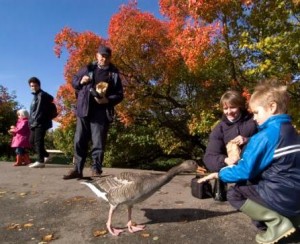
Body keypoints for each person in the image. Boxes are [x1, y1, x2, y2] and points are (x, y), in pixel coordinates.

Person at [198, 83, 300, 244]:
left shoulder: (262, 131)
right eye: (225, 109)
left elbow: (246, 170)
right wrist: (225, 160)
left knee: (235, 193)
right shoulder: (291, 130)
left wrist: (221, 173)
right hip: (293, 191)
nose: (255, 117)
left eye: (257, 112)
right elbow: (210, 155)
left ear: (272, 107)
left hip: (276, 191)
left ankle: (277, 223)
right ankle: (293, 219)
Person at [63, 45, 124, 180]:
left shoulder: (113, 74)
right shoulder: (88, 68)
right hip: (84, 109)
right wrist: (80, 81)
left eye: (106, 56)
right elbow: (74, 81)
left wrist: (107, 100)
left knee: (98, 142)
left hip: (101, 112)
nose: (104, 58)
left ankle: (96, 168)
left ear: (110, 58)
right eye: (101, 55)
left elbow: (120, 95)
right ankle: (77, 169)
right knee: (79, 140)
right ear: (97, 56)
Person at [203, 90, 257, 200]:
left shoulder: (254, 120)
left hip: (254, 164)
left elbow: (269, 138)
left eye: (232, 107)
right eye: (225, 108)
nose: (229, 112)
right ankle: (223, 185)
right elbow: (209, 157)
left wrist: (248, 140)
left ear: (240, 106)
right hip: (233, 166)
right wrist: (225, 160)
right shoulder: (219, 129)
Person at [28, 77, 53, 168]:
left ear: (39, 85)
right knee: (31, 141)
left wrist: (35, 122)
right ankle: (46, 155)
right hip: (35, 122)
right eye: (31, 86)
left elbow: (39, 111)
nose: (33, 87)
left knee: (38, 141)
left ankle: (40, 161)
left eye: (35, 85)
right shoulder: (36, 96)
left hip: (40, 122)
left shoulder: (41, 95)